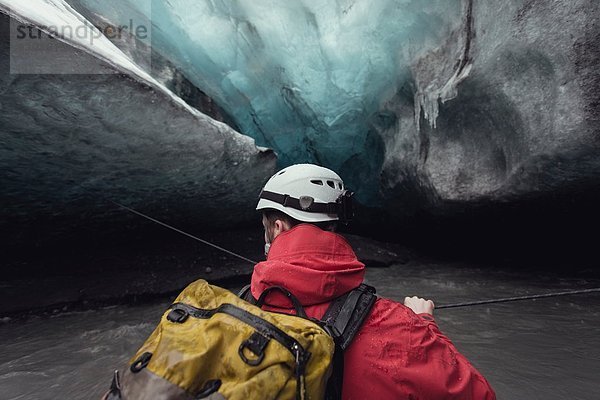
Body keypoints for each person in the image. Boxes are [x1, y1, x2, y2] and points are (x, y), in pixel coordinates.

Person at [251, 163, 496, 400]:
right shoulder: (397, 325)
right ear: (333, 226)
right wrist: (425, 325)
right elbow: (478, 395)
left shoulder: (232, 311)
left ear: (278, 228)